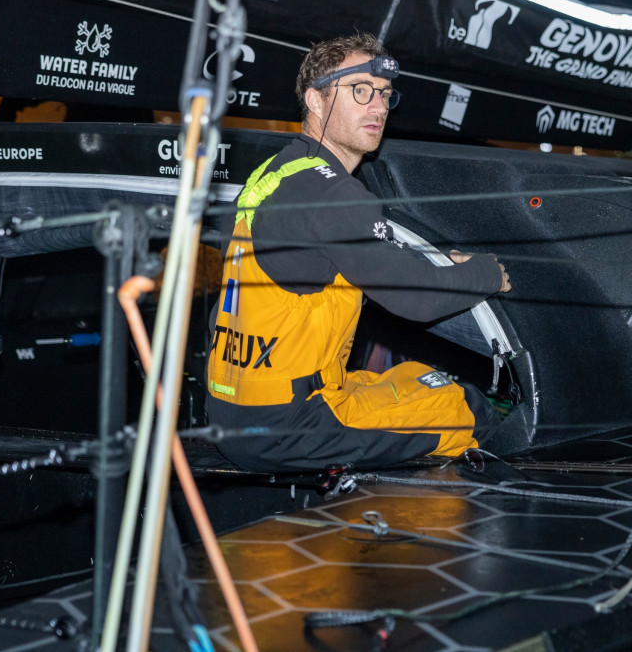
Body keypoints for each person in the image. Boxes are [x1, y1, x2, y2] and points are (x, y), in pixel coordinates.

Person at [205, 33, 511, 472]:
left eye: (385, 94)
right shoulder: (334, 194)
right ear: (315, 100)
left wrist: (440, 264)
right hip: (291, 424)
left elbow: (340, 256)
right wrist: (485, 273)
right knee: (465, 407)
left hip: (233, 412)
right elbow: (416, 299)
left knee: (416, 376)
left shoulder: (275, 174)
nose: (379, 107)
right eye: (361, 91)